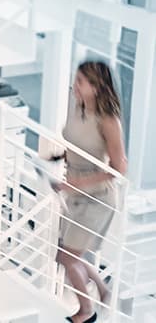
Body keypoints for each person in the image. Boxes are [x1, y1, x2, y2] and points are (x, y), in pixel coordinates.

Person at [55, 61, 127, 323]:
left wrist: (79, 182)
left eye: (81, 82)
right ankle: (103, 289)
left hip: (97, 197)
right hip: (74, 189)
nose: (75, 85)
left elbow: (120, 168)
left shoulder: (109, 121)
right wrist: (62, 156)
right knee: (66, 252)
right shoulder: (78, 106)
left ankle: (86, 312)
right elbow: (80, 143)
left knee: (66, 255)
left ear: (96, 88)